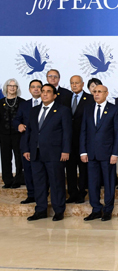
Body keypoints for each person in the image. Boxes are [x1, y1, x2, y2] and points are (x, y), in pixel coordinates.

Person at [21, 84, 71, 221]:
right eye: (43, 91)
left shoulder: (62, 110)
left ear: (54, 95)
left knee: (56, 182)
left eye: (48, 92)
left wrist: (66, 150)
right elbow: (29, 132)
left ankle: (58, 210)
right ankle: (41, 210)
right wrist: (26, 149)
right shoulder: (34, 110)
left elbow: (67, 132)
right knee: (39, 183)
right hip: (36, 153)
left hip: (55, 153)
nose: (44, 94)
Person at [80, 85, 118, 222]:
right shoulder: (88, 109)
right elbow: (83, 131)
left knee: (109, 183)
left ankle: (108, 209)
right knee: (92, 183)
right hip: (91, 154)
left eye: (99, 92)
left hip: (108, 154)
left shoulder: (114, 110)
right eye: (95, 92)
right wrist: (83, 151)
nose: (96, 94)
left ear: (106, 93)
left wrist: (115, 153)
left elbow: (117, 133)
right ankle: (96, 209)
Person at [14, 79, 42, 204]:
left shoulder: (50, 104)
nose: (36, 89)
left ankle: (44, 194)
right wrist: (19, 124)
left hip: (45, 144)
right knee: (29, 170)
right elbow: (16, 119)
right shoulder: (24, 105)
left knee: (44, 171)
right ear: (29, 89)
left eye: (38, 87)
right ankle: (31, 194)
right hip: (27, 143)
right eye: (33, 87)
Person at [66, 75, 93, 204]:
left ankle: (82, 193)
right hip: (68, 141)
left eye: (77, 83)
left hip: (83, 141)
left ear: (82, 84)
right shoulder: (65, 98)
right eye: (72, 83)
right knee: (70, 169)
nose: (74, 85)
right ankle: (72, 193)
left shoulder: (90, 99)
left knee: (83, 169)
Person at [0, 79, 25, 188]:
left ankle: (18, 180)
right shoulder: (0, 103)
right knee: (5, 158)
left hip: (18, 135)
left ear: (17, 88)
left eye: (14, 86)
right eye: (10, 86)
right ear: (6, 87)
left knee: (19, 158)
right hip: (3, 135)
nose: (12, 88)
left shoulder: (22, 102)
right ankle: (7, 180)